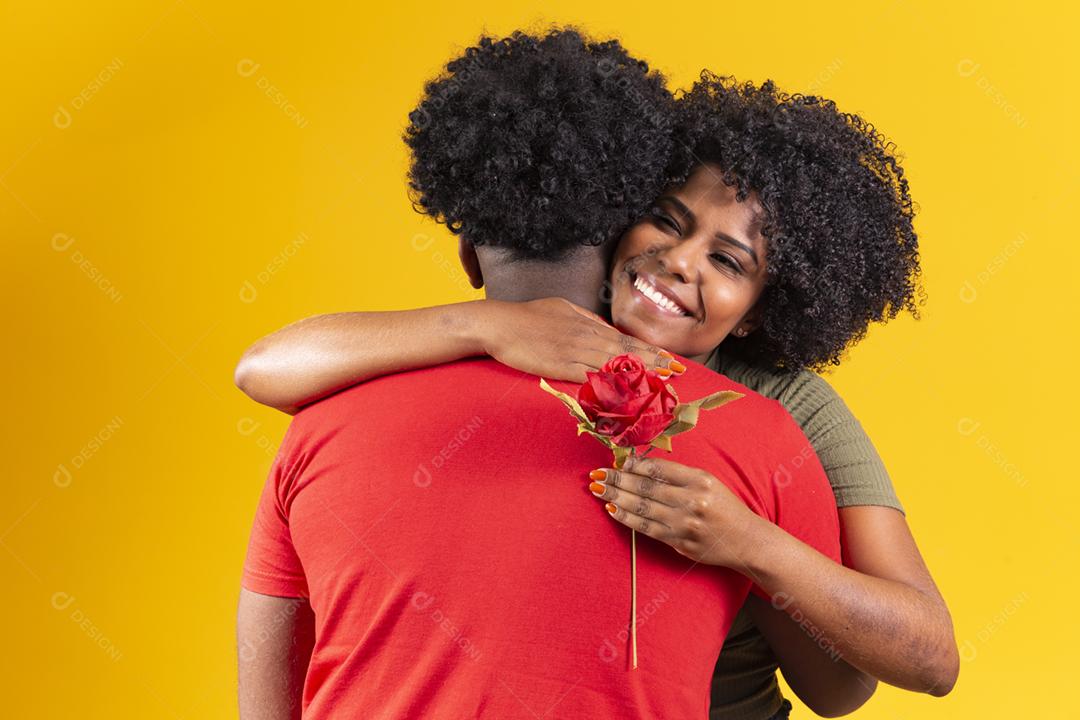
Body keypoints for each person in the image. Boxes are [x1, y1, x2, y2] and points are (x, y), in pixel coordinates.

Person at [238, 28, 960, 719]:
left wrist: (744, 542)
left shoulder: (783, 413)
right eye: (667, 223)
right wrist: (487, 323)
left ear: (756, 316)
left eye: (729, 262)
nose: (680, 262)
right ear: (615, 219)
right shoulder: (496, 348)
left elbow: (877, 675)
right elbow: (262, 367)